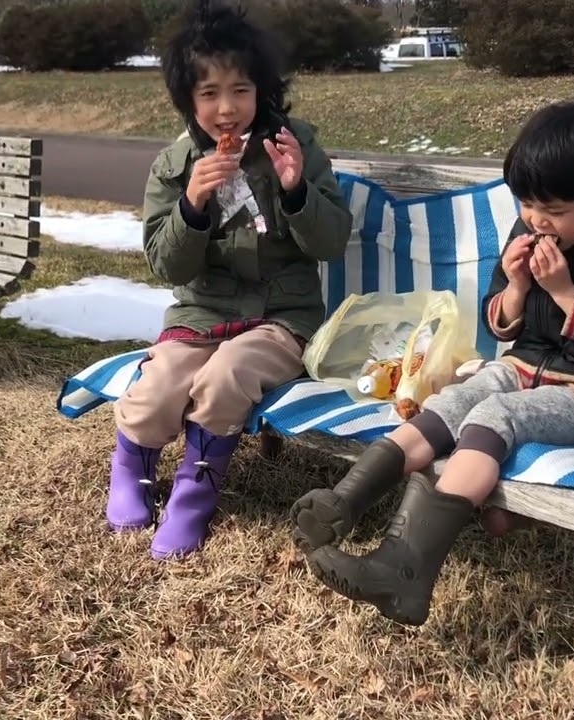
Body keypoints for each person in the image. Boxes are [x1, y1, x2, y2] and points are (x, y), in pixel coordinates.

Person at [289, 98, 574, 625]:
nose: (536, 220)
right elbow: (501, 323)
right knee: (454, 400)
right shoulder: (530, 231)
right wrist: (517, 286)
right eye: (526, 204)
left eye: (554, 210)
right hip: (523, 368)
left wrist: (564, 292)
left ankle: (404, 568)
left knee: (494, 415)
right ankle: (343, 503)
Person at [106, 0, 353, 560]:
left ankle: (194, 494)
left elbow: (331, 243)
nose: (226, 109)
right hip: (201, 314)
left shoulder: (294, 146)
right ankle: (131, 470)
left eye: (241, 90)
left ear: (261, 90)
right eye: (209, 93)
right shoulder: (174, 166)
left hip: (280, 318)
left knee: (226, 375)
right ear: (188, 100)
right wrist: (192, 205)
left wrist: (297, 190)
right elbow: (167, 266)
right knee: (157, 387)